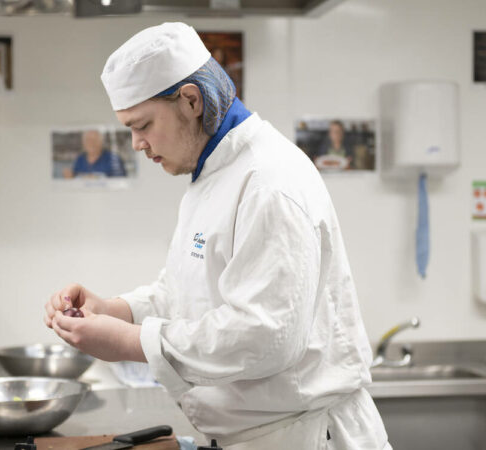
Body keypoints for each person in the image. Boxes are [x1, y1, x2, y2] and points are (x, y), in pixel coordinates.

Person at [44, 23, 391, 449]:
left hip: (301, 436)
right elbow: (191, 293)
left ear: (190, 100)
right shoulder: (212, 175)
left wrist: (134, 343)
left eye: (143, 125)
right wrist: (115, 310)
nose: (136, 144)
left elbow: (265, 338)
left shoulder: (269, 181)